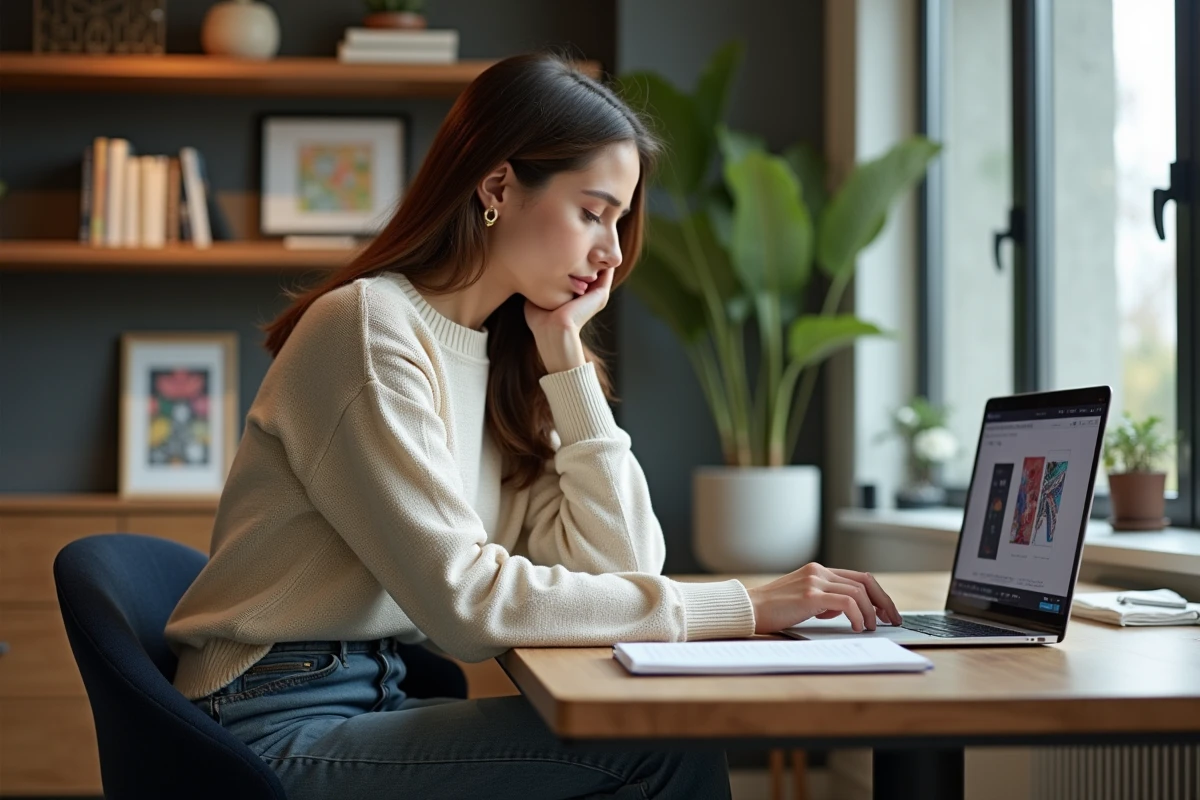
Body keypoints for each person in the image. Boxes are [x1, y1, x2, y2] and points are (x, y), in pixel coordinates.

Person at [164, 51, 902, 800]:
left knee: (656, 738)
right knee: (661, 751)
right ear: (497, 187)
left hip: (374, 690)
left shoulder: (507, 357)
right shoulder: (367, 330)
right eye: (592, 212)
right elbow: (468, 607)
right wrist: (737, 608)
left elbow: (622, 568)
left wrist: (566, 360)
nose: (612, 253)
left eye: (618, 221)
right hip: (272, 723)